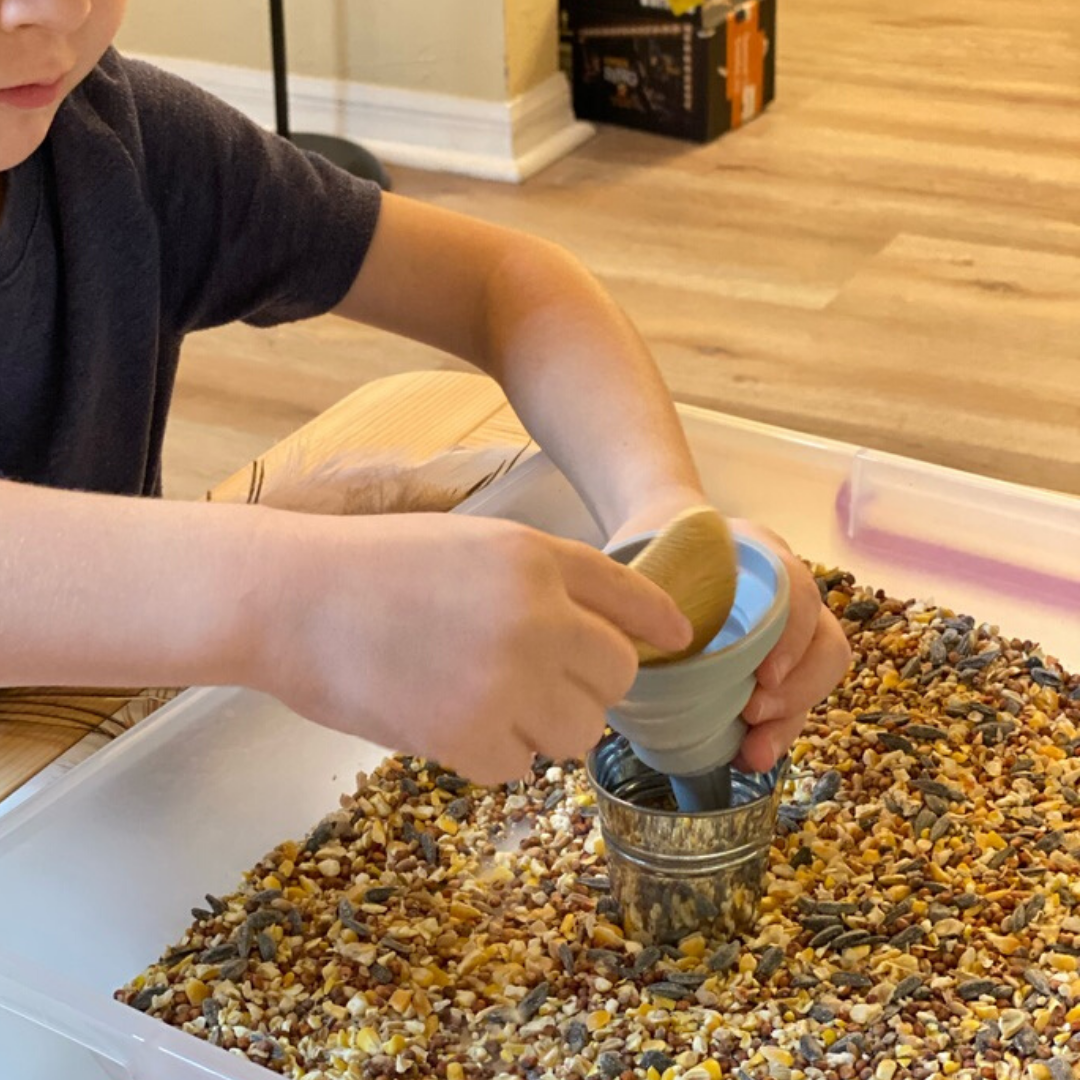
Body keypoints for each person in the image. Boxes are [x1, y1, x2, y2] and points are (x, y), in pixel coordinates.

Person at [0, 0, 850, 786]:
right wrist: (292, 603)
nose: (57, 8)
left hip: (84, 756)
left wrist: (662, 518)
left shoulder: (121, 145)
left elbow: (506, 284)